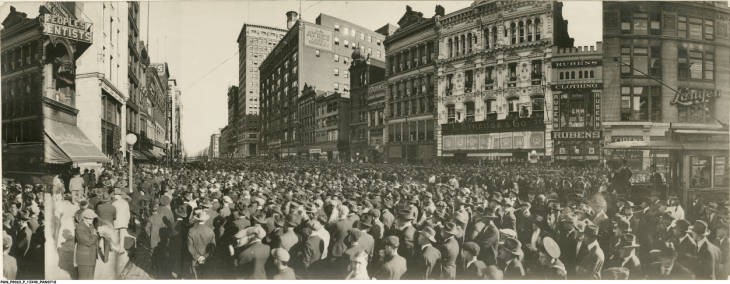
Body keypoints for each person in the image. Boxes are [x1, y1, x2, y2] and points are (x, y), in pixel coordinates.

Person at [187, 210, 216, 279]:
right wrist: (205, 256)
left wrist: (198, 257)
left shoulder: (191, 231)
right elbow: (213, 247)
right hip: (207, 259)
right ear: (205, 220)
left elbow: (190, 246)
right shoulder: (210, 231)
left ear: (197, 220)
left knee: (195, 277)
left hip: (195, 259)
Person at [75, 209, 99, 280]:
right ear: (84, 218)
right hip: (84, 259)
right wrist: (95, 235)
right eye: (89, 219)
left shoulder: (90, 225)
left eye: (92, 218)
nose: (91, 220)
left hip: (91, 257)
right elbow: (88, 242)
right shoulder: (80, 227)